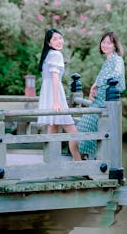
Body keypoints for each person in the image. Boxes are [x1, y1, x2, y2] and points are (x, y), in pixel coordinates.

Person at [77, 31, 126, 159]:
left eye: (109, 43)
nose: (105, 45)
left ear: (115, 45)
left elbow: (116, 75)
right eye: (103, 42)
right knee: (83, 126)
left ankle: (86, 159)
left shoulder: (117, 60)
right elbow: (101, 78)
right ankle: (84, 159)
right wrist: (95, 85)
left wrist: (98, 84)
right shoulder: (106, 62)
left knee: (87, 126)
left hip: (107, 101)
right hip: (98, 100)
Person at [37, 28, 81, 161]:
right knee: (73, 132)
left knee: (53, 130)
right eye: (55, 39)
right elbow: (55, 78)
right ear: (49, 43)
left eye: (60, 38)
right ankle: (79, 163)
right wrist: (56, 102)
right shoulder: (56, 54)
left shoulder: (48, 54)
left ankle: (52, 165)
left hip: (49, 93)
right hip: (55, 95)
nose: (59, 41)